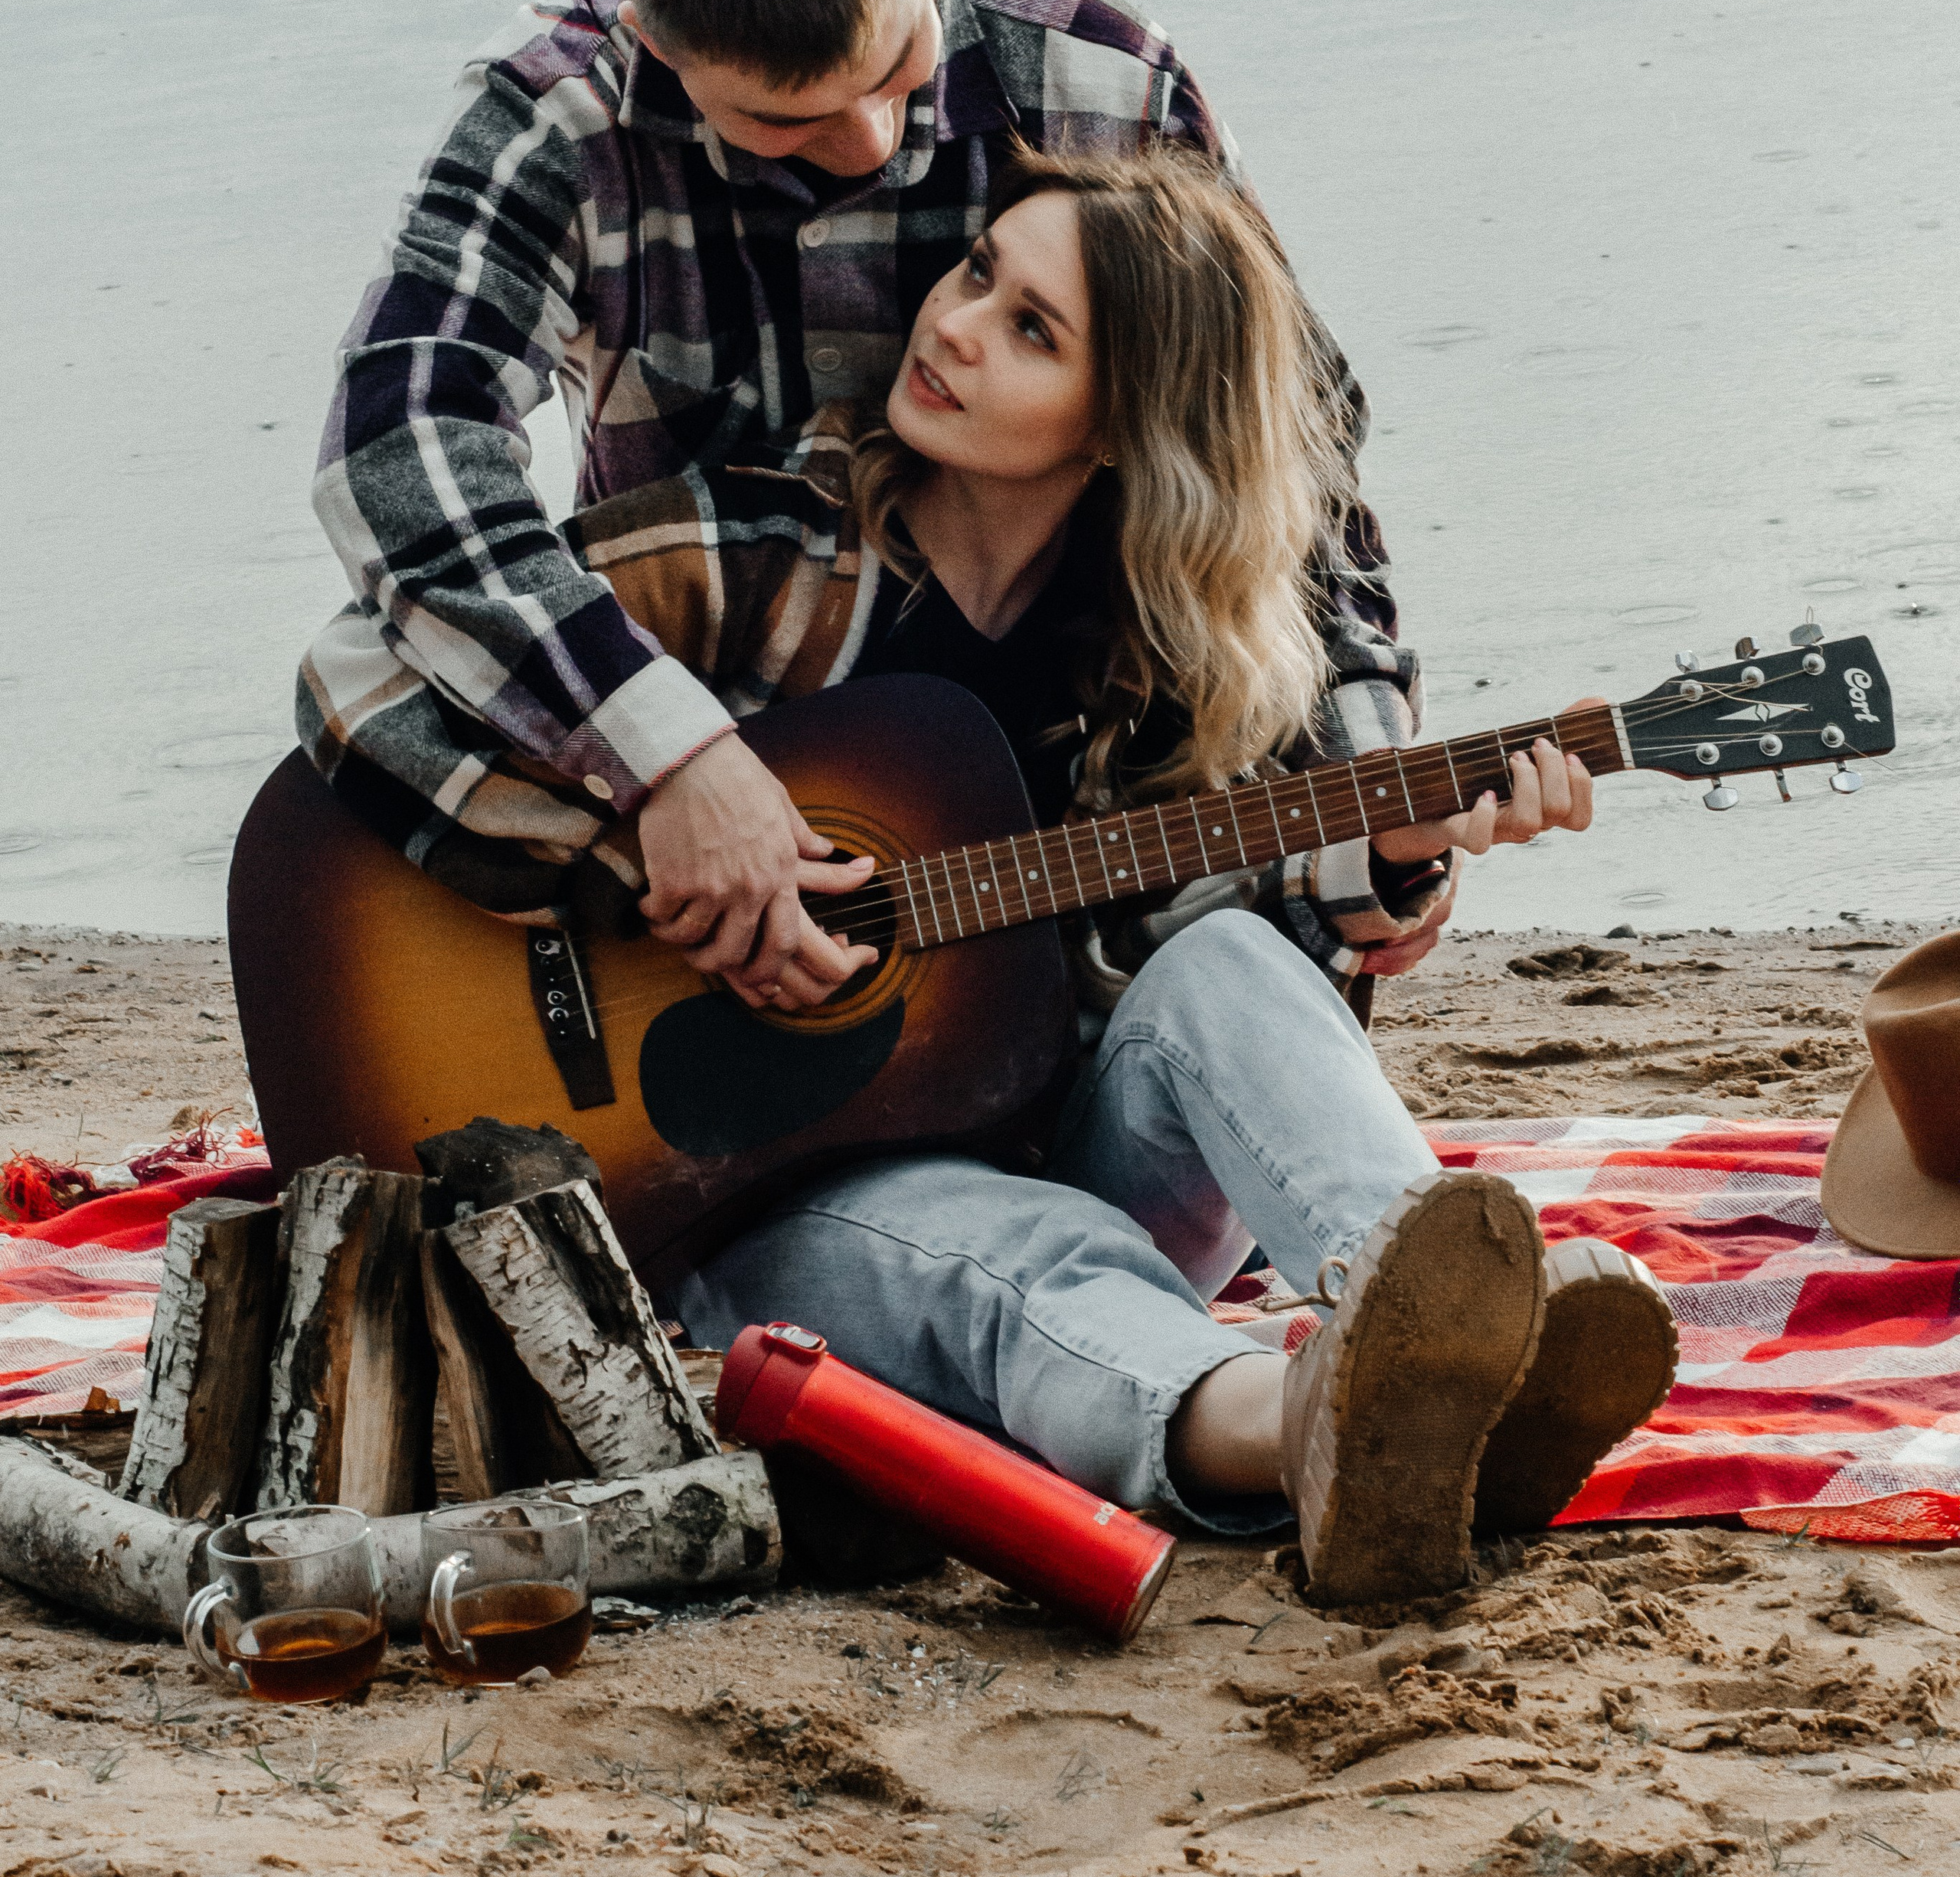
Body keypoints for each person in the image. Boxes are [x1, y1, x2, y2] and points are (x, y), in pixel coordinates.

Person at [300, 149, 1677, 1601]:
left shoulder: (1157, 658)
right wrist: (649, 824)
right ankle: (1311, 1426)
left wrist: (1390, 856)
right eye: (978, 276)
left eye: (1034, 331)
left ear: (1124, 426)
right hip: (734, 1207)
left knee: (1230, 969)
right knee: (1036, 1251)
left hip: (1042, 1137)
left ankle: (1465, 1340)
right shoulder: (753, 550)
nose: (955, 327)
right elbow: (356, 677)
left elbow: (1238, 1014)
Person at [308, 0, 1458, 1014]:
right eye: (784, 123)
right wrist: (673, 763)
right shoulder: (559, 119)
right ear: (657, 42)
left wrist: (1375, 780)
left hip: (1059, 783)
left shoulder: (1108, 82)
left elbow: (1288, 455)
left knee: (1212, 999)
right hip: (703, 710)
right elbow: (401, 452)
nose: (868, 141)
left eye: (900, 69)